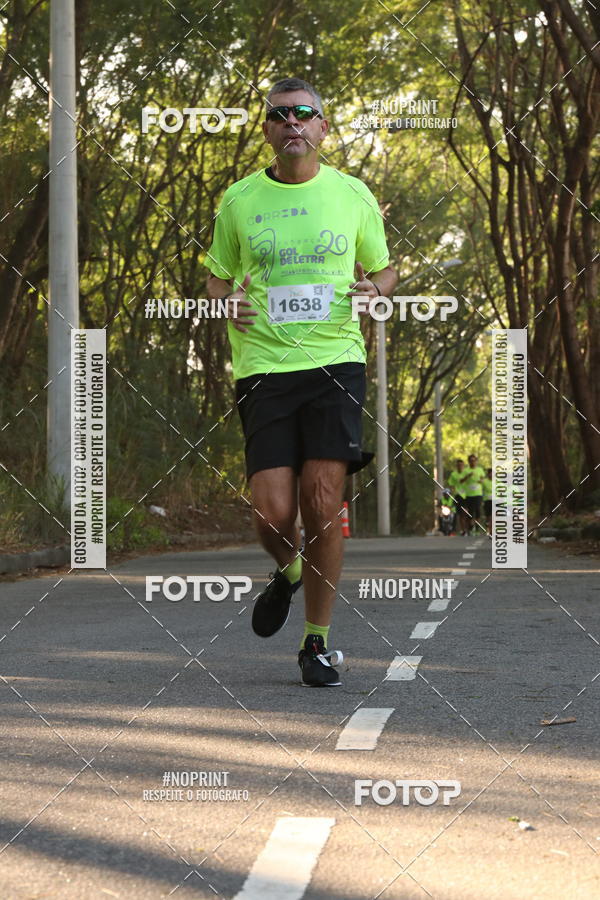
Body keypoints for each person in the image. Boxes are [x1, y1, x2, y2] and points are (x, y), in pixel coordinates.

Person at [205, 77, 397, 686]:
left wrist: (375, 290)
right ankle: (288, 570)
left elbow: (385, 270)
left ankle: (316, 642)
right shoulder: (238, 200)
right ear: (266, 128)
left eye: (304, 113)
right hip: (263, 366)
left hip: (336, 362)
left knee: (321, 500)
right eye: (279, 115)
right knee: (271, 512)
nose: (292, 122)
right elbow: (216, 278)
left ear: (322, 126)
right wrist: (224, 303)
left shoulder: (353, 194)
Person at [461, 453, 486, 535]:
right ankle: (471, 527)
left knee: (478, 511)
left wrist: (481, 481)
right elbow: (461, 481)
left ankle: (477, 528)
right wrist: (467, 476)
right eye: (471, 461)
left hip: (478, 494)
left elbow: (483, 480)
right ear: (468, 462)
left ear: (476, 461)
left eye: (474, 461)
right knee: (470, 512)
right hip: (469, 495)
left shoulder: (480, 470)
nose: (472, 462)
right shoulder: (466, 471)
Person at [447, 459, 468, 535]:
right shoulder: (453, 474)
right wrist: (452, 490)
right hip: (458, 496)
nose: (460, 466)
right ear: (456, 466)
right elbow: (450, 484)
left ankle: (470, 528)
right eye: (458, 465)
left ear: (463, 466)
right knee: (461, 514)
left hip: (468, 495)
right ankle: (463, 530)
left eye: (461, 465)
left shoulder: (467, 472)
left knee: (467, 513)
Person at [482, 467, 493, 534]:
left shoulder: (498, 481)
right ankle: (487, 529)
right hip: (487, 501)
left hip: (495, 501)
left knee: (493, 516)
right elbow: (480, 490)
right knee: (488, 516)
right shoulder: (484, 481)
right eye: (490, 474)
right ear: (488, 474)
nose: (491, 475)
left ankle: (491, 531)